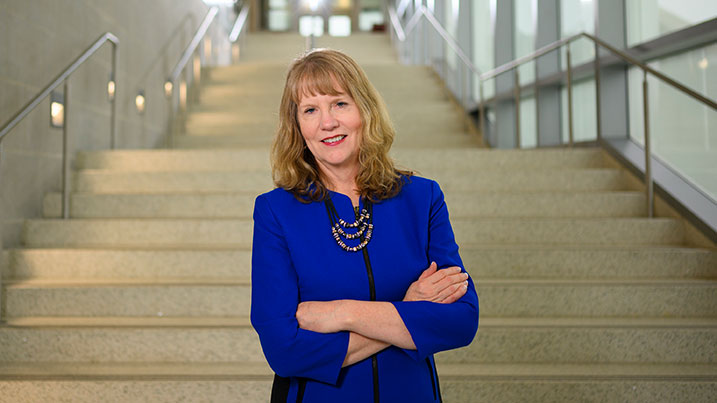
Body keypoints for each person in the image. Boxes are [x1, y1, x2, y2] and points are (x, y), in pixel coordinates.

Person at [251, 48, 479, 403]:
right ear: (298, 127)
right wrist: (409, 308)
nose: (327, 122)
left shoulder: (422, 198)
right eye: (310, 110)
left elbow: (461, 319)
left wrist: (341, 313)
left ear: (365, 110)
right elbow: (284, 350)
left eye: (340, 104)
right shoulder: (275, 212)